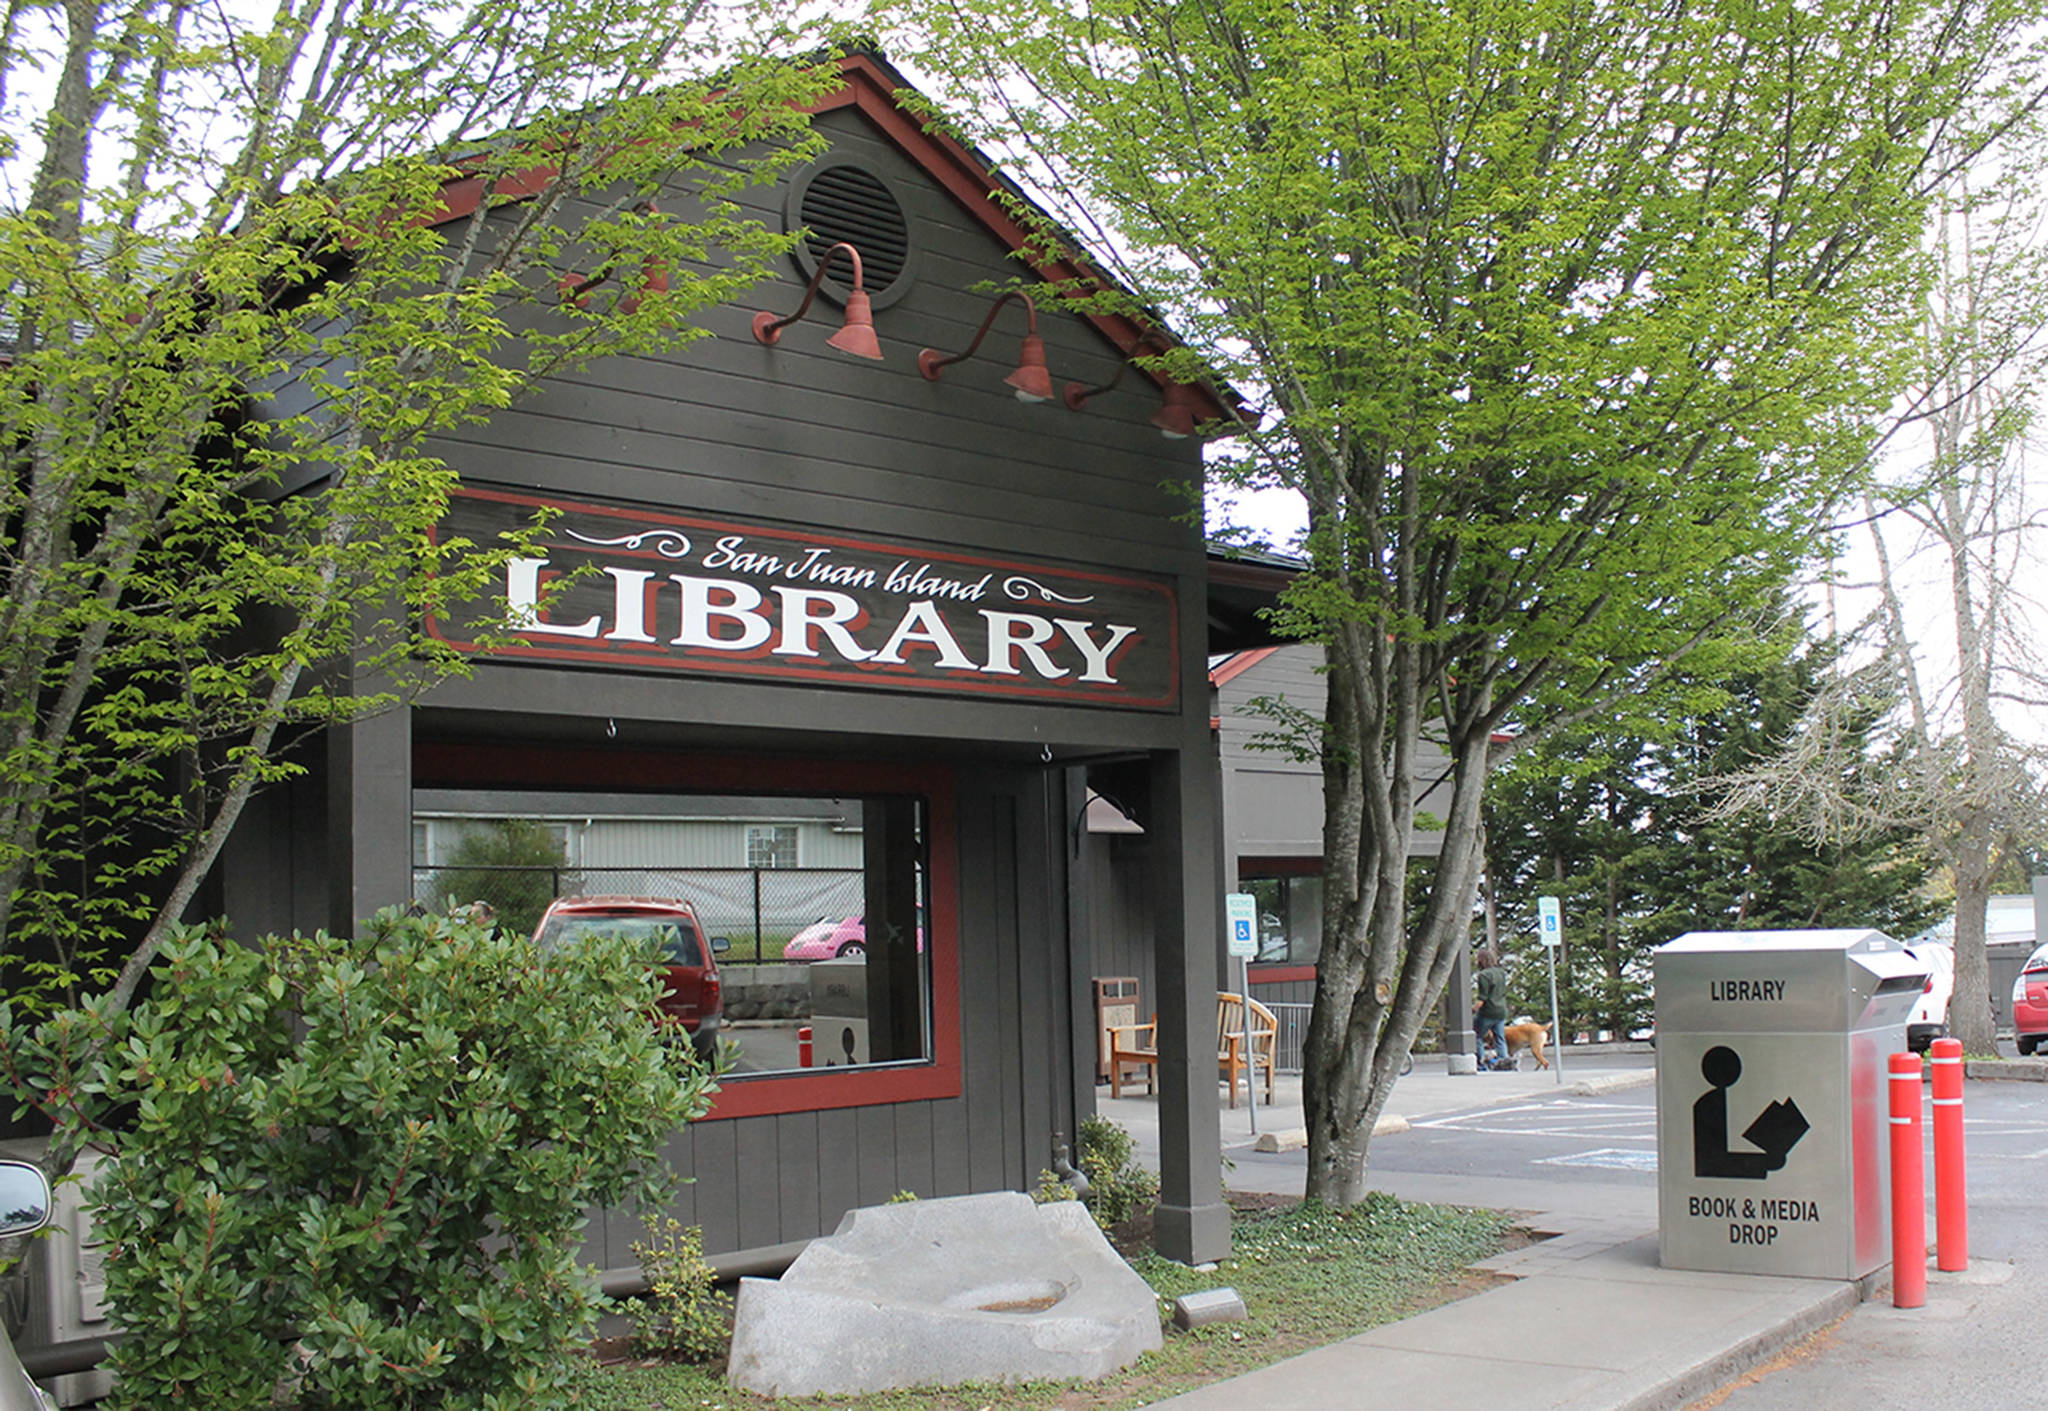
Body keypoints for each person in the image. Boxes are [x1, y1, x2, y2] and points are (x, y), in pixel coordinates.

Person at [1472, 946, 1509, 1070]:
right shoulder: (1501, 972)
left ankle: (1482, 1064)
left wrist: (1473, 1009)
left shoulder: (1483, 975)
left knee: (1476, 1036)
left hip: (1488, 1012)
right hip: (1501, 1011)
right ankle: (1504, 1061)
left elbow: (1482, 998)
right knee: (1500, 1038)